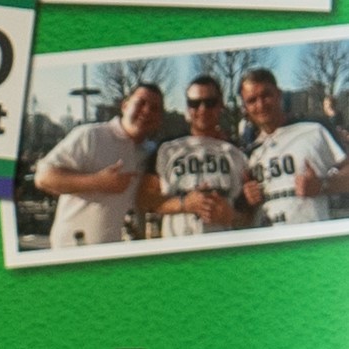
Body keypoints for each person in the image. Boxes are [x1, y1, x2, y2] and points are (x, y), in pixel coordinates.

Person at [34, 83, 164, 250]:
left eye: (154, 108)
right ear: (125, 106)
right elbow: (43, 178)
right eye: (140, 103)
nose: (147, 111)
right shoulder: (90, 136)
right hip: (76, 251)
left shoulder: (154, 152)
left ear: (160, 118)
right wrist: (98, 182)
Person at [239, 67, 349, 228]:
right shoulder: (249, 153)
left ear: (278, 94)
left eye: (266, 95)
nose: (260, 104)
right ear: (245, 108)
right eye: (252, 100)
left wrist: (322, 185)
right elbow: (241, 215)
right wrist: (247, 200)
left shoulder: (314, 130)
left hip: (312, 240)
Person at [149, 76, 251, 237]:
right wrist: (185, 204)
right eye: (194, 103)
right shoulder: (167, 150)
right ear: (187, 108)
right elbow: (146, 199)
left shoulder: (236, 153)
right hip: (178, 251)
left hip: (223, 249)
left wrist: (232, 216)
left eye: (210, 103)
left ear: (220, 106)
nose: (202, 109)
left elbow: (249, 212)